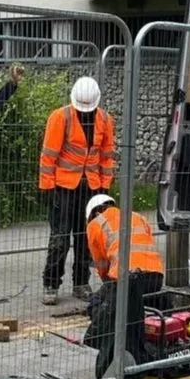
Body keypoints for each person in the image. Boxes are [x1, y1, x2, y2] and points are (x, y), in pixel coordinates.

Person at [38, 76, 116, 305]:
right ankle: (51, 284)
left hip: (91, 188)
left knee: (87, 238)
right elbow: (48, 155)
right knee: (60, 239)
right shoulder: (60, 117)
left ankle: (81, 283)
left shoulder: (104, 119)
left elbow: (107, 156)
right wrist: (47, 186)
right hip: (63, 187)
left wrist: (104, 185)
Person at [82, 194, 164, 379]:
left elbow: (101, 263)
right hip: (156, 277)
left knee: (97, 303)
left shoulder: (96, 224)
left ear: (93, 212)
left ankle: (107, 342)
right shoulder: (137, 216)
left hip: (127, 279)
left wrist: (108, 288)